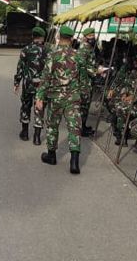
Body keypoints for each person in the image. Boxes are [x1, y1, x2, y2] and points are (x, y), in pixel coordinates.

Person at [35, 25, 88, 174]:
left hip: (55, 98)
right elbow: (84, 80)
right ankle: (74, 162)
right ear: (72, 39)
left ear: (59, 37)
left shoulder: (52, 55)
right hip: (73, 98)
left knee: (52, 126)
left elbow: (45, 78)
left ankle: (51, 155)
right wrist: (83, 96)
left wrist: (40, 97)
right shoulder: (78, 56)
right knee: (74, 128)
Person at [13, 26, 49, 144]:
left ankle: (24, 133)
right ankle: (37, 137)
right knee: (39, 108)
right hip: (42, 85)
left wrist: (17, 82)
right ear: (43, 37)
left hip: (28, 84)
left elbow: (20, 68)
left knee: (25, 106)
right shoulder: (48, 51)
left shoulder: (26, 49)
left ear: (33, 36)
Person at [77, 27, 101, 136]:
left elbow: (90, 63)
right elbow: (82, 66)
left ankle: (83, 126)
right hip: (83, 82)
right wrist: (96, 71)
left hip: (88, 81)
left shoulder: (90, 48)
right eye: (90, 36)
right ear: (85, 37)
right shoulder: (83, 49)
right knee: (83, 105)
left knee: (86, 105)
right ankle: (80, 129)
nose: (92, 38)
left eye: (93, 35)